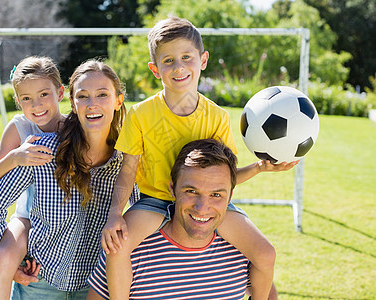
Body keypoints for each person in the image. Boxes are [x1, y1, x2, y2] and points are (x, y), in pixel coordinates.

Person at [101, 17, 297, 299]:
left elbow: (223, 182)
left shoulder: (216, 117)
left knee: (265, 254)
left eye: (186, 57)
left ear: (203, 60)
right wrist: (114, 216)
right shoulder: (141, 114)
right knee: (117, 247)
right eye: (168, 61)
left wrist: (259, 167)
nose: (178, 67)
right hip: (155, 202)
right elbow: (128, 169)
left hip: (203, 200)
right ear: (155, 69)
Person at [0, 59, 139, 299]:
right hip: (39, 282)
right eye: (83, 96)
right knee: (4, 258)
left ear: (118, 100)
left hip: (98, 286)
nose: (92, 104)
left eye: (102, 95)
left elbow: (146, 214)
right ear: (73, 104)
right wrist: (11, 260)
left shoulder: (129, 160)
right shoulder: (40, 150)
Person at [88, 139, 276, 299]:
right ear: (172, 188)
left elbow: (268, 289)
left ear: (230, 195)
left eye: (216, 195)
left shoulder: (242, 250)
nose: (202, 208)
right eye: (191, 191)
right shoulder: (128, 249)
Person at [0, 55, 66, 299]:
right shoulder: (19, 127)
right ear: (18, 101)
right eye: (27, 99)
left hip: (59, 218)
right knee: (5, 257)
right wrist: (15, 157)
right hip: (27, 217)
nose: (36, 104)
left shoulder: (72, 127)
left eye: (43, 95)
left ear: (60, 93)